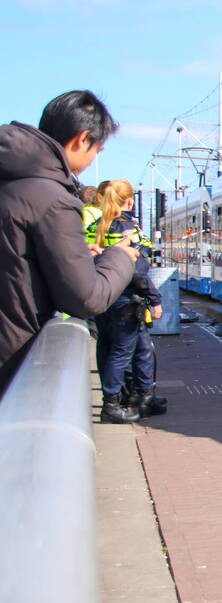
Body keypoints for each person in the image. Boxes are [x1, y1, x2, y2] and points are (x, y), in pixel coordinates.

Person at [0, 90, 138, 394]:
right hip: (12, 366)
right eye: (96, 151)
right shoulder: (53, 200)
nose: (91, 162)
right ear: (82, 139)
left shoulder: (11, 183)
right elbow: (86, 298)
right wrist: (118, 258)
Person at [92, 180, 166, 423]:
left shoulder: (98, 225)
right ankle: (112, 404)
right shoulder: (127, 228)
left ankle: (143, 396)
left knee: (134, 348)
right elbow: (137, 270)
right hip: (126, 300)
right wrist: (154, 299)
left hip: (104, 296)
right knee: (123, 352)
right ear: (130, 200)